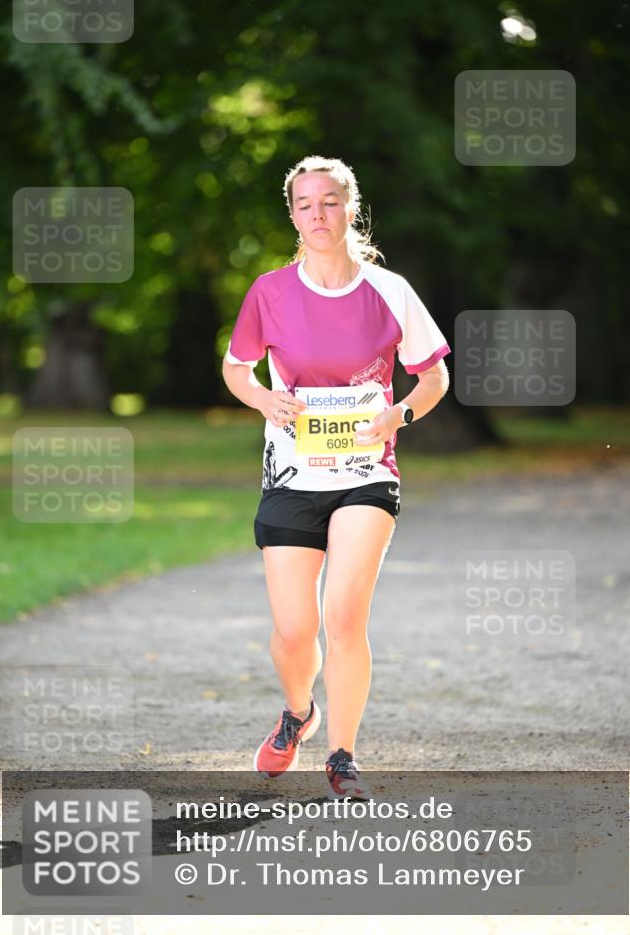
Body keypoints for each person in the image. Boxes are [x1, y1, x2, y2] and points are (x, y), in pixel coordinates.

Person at [222, 156, 451, 799]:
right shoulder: (269, 291)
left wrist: (399, 413)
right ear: (292, 214)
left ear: (352, 208)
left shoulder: (390, 290)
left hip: (366, 472)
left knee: (343, 617)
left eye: (329, 202)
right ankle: (299, 712)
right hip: (292, 474)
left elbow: (433, 377)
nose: (317, 214)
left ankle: (343, 756)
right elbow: (238, 369)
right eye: (304, 204)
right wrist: (264, 400)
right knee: (295, 631)